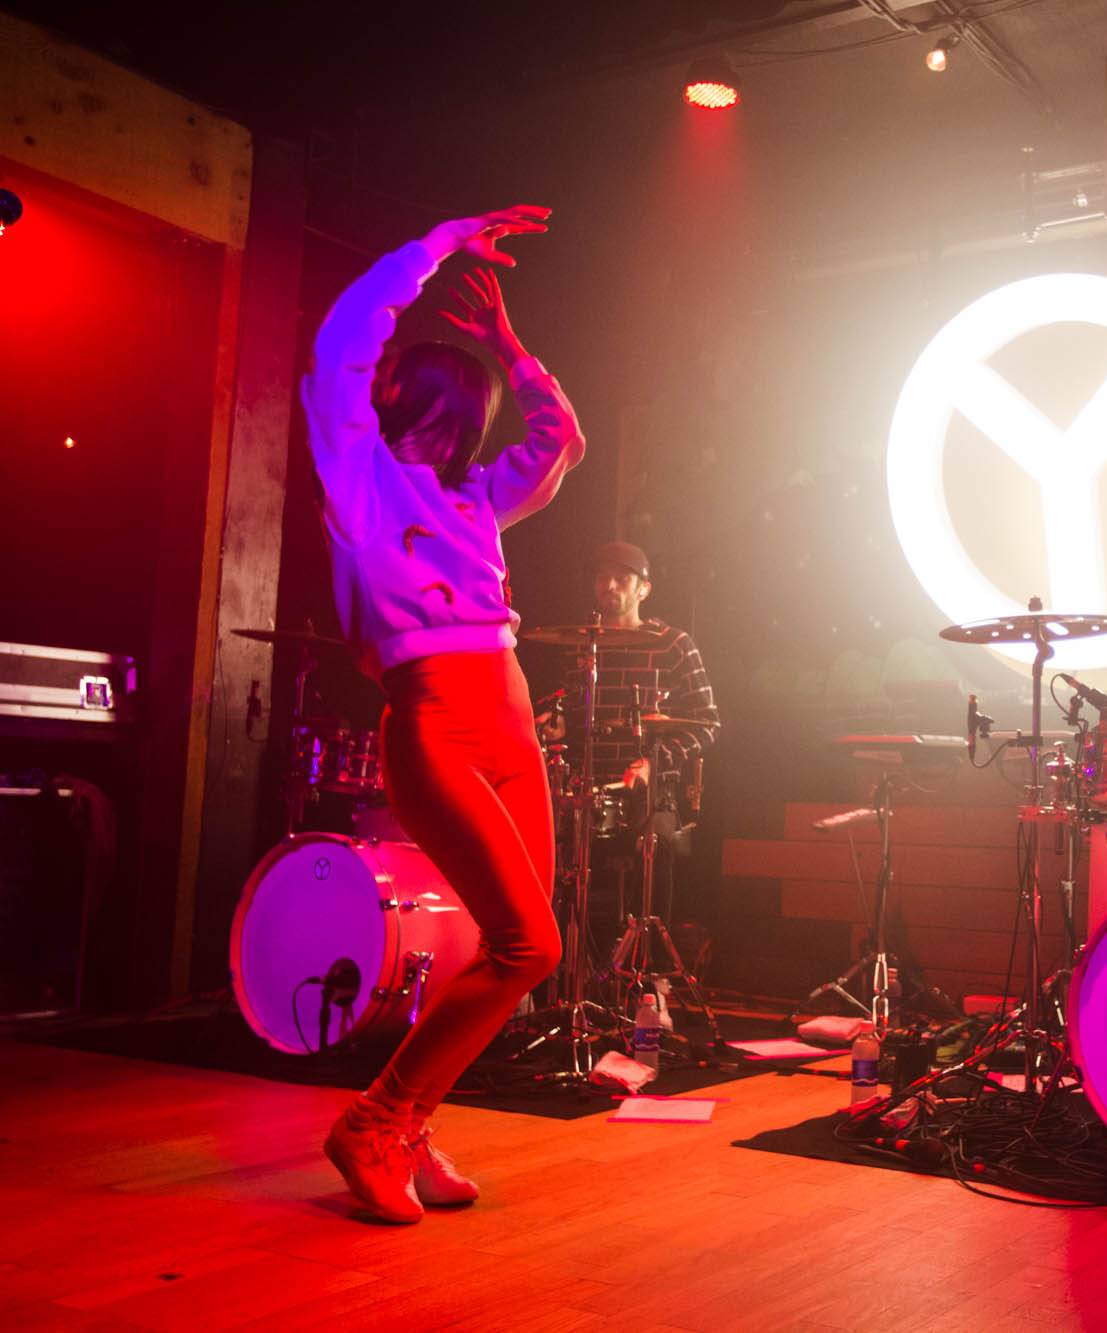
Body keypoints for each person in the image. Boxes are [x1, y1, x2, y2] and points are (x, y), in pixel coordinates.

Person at [303, 203, 585, 1224]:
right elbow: (343, 346)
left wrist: (512, 350)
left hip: (510, 721)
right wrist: (429, 248)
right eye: (459, 410)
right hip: (433, 719)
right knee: (528, 946)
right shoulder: (360, 479)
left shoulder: (475, 498)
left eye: (474, 417)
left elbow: (562, 442)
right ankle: (371, 1124)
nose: (467, 432)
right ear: (411, 401)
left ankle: (407, 1123)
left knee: (508, 953)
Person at [559, 541, 718, 936]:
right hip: (585, 786)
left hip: (651, 791)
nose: (609, 585)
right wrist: (554, 724)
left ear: (643, 588)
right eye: (602, 577)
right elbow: (569, 716)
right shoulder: (582, 646)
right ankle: (558, 970)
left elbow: (707, 724)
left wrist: (655, 761)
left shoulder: (674, 645)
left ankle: (649, 974)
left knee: (654, 848)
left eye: (621, 578)